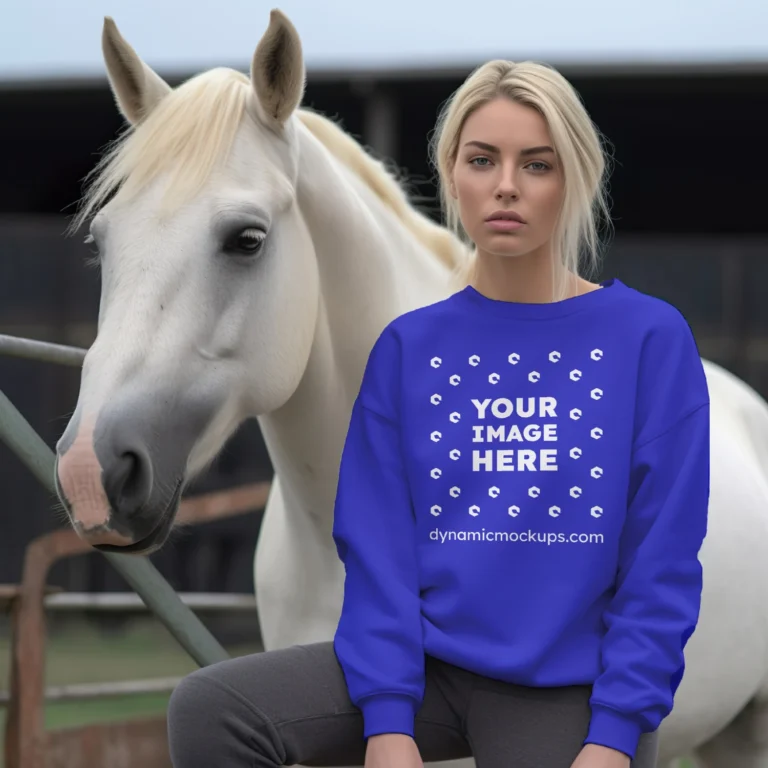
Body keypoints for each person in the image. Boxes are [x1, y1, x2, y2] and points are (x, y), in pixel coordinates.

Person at [166, 58, 710, 768]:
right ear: (451, 171)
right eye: (482, 159)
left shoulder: (648, 338)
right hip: (431, 673)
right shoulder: (409, 348)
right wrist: (389, 727)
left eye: (536, 164)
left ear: (575, 177)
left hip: (569, 690)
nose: (506, 185)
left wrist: (612, 738)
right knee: (211, 712)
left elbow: (661, 564)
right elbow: (379, 548)